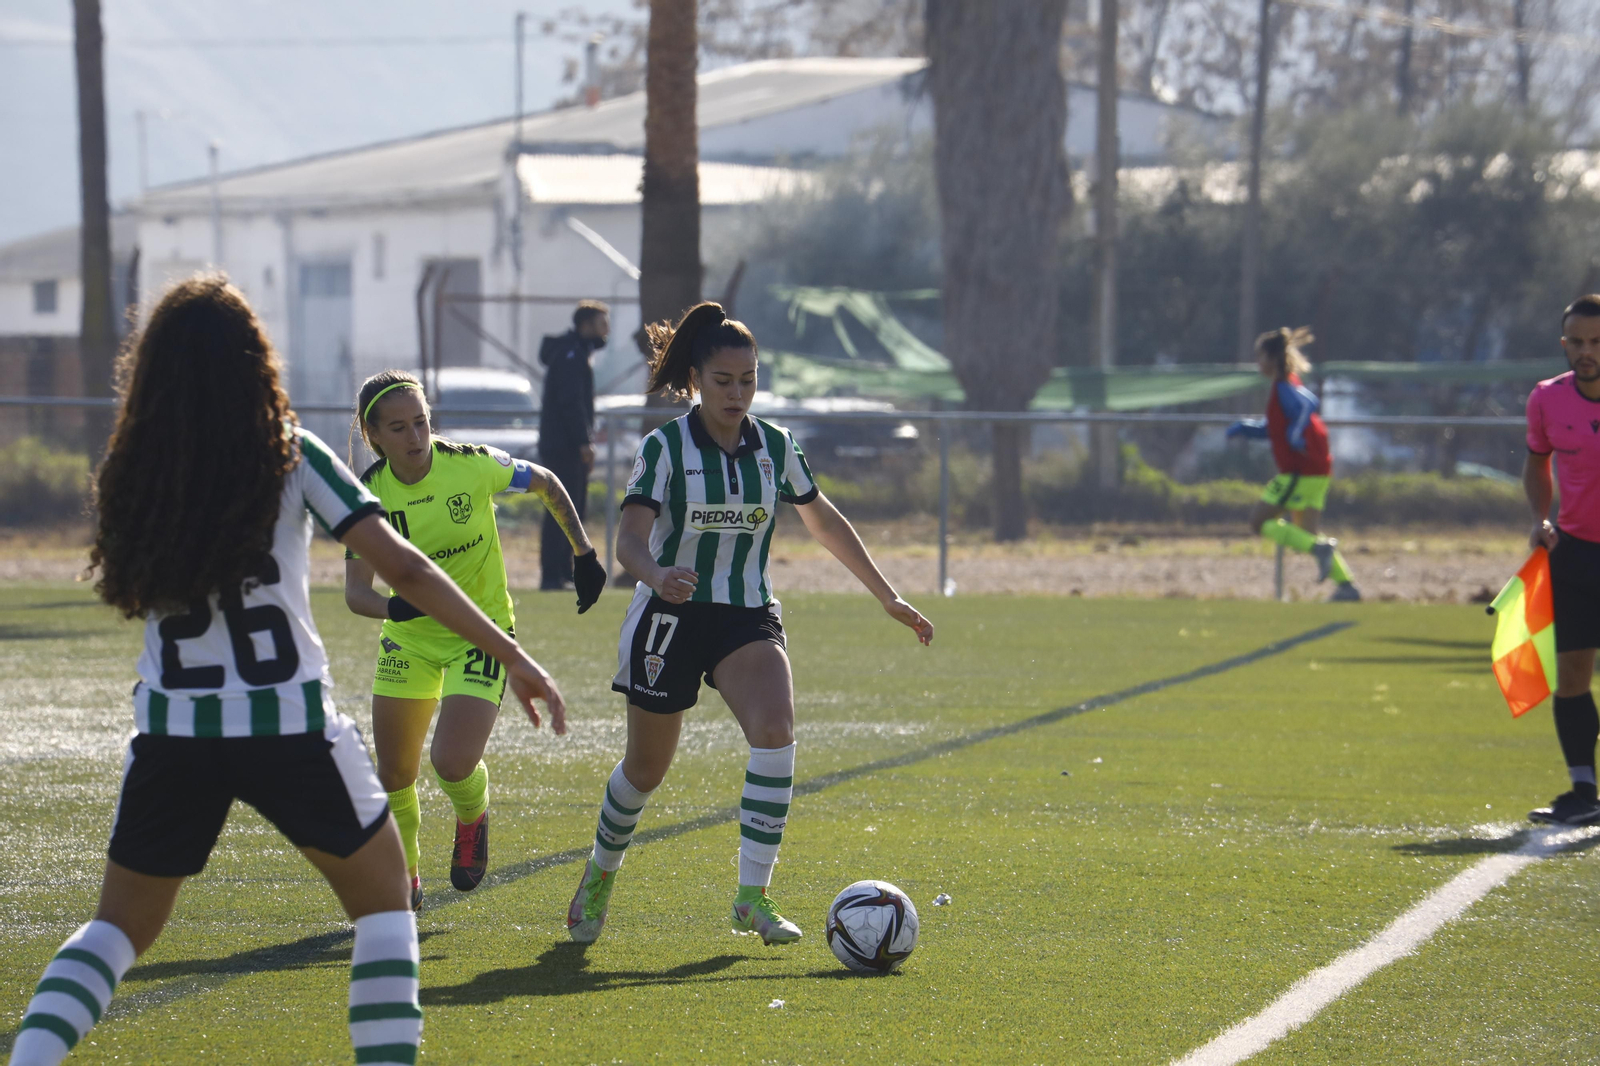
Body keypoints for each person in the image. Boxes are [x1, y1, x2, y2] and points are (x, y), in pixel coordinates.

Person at [7, 277, 566, 1066]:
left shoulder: (134, 467)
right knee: (385, 915)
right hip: (289, 724)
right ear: (254, 362)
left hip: (173, 731)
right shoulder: (293, 452)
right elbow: (400, 568)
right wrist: (513, 653)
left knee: (114, 932)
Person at [564, 301, 935, 946]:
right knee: (645, 772)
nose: (737, 393)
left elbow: (823, 521)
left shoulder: (775, 445)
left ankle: (750, 899)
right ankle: (600, 871)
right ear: (695, 381)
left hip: (746, 615)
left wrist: (888, 596)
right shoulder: (665, 448)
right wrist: (656, 575)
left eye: (748, 380)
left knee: (775, 730)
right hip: (671, 618)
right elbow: (628, 541)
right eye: (723, 381)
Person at [345, 370, 607, 908]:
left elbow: (547, 482)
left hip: (481, 634)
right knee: (395, 772)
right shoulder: (367, 495)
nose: (416, 437)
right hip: (411, 640)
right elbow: (356, 594)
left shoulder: (471, 463)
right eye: (399, 429)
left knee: (452, 763)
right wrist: (398, 605)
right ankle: (405, 877)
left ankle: (472, 814)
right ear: (374, 437)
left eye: (421, 422)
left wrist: (582, 553)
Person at [1522, 294, 1600, 827]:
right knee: (1571, 675)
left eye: (1597, 342)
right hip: (1573, 552)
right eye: (1577, 341)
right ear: (1564, 343)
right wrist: (1539, 516)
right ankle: (1584, 791)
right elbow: (1536, 464)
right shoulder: (1547, 398)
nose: (1587, 351)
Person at [1226, 327, 1360, 602]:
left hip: (1300, 471)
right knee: (1306, 535)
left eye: (1260, 356)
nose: (1257, 363)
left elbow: (1308, 405)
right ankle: (1347, 586)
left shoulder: (1284, 387)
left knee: (1259, 522)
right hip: (1318, 471)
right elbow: (1274, 428)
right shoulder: (1287, 386)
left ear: (1272, 359)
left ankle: (1321, 551)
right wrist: (1247, 429)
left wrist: (1296, 434)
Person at [537, 300, 608, 590]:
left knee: (572, 509)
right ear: (586, 325)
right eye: (602, 324)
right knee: (561, 509)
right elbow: (571, 403)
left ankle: (564, 571)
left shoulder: (577, 352)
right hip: (563, 447)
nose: (607, 331)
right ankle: (553, 575)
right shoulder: (570, 355)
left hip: (567, 446)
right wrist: (583, 441)